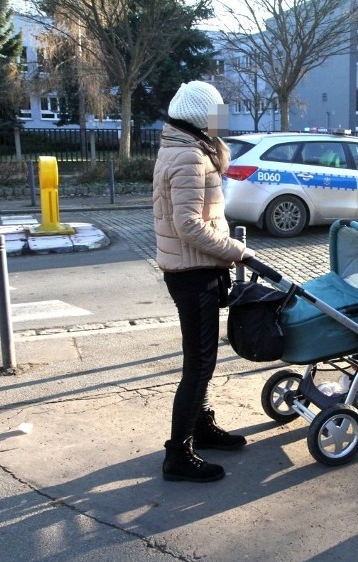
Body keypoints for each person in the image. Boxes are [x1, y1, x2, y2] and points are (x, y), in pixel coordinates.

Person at [153, 81, 255, 483]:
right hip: (193, 274)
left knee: (202, 363)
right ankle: (178, 455)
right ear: (199, 117)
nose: (222, 120)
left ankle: (201, 427)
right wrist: (237, 251)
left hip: (195, 270)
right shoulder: (190, 157)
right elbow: (189, 224)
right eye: (216, 112)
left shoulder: (184, 148)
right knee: (199, 365)